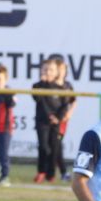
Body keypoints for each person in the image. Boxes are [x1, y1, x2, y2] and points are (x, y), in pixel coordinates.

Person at [32, 57, 72, 185]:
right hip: (42, 122)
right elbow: (36, 98)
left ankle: (51, 174)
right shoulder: (37, 86)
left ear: (56, 72)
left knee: (55, 148)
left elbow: (65, 105)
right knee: (44, 147)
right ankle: (41, 171)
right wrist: (43, 83)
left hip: (56, 122)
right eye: (45, 69)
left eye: (51, 70)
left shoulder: (61, 88)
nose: (48, 72)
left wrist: (58, 117)